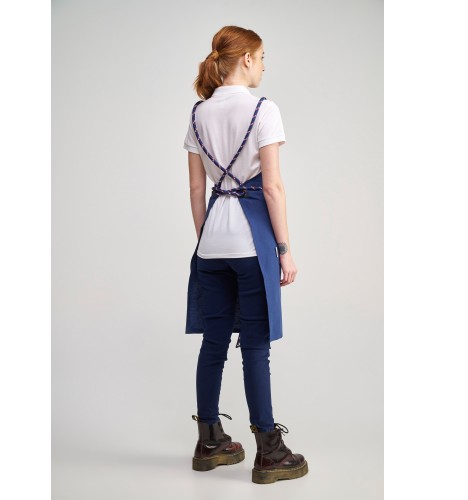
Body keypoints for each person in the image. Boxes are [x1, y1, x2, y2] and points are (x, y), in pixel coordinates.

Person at [183, 25, 309, 485]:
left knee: (213, 343)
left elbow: (196, 189)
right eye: (263, 57)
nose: (264, 66)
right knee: (255, 346)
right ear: (248, 59)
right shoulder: (262, 109)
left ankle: (209, 442)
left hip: (210, 244)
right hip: (251, 244)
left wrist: (207, 240)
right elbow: (272, 187)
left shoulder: (198, 113)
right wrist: (285, 250)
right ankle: (269, 452)